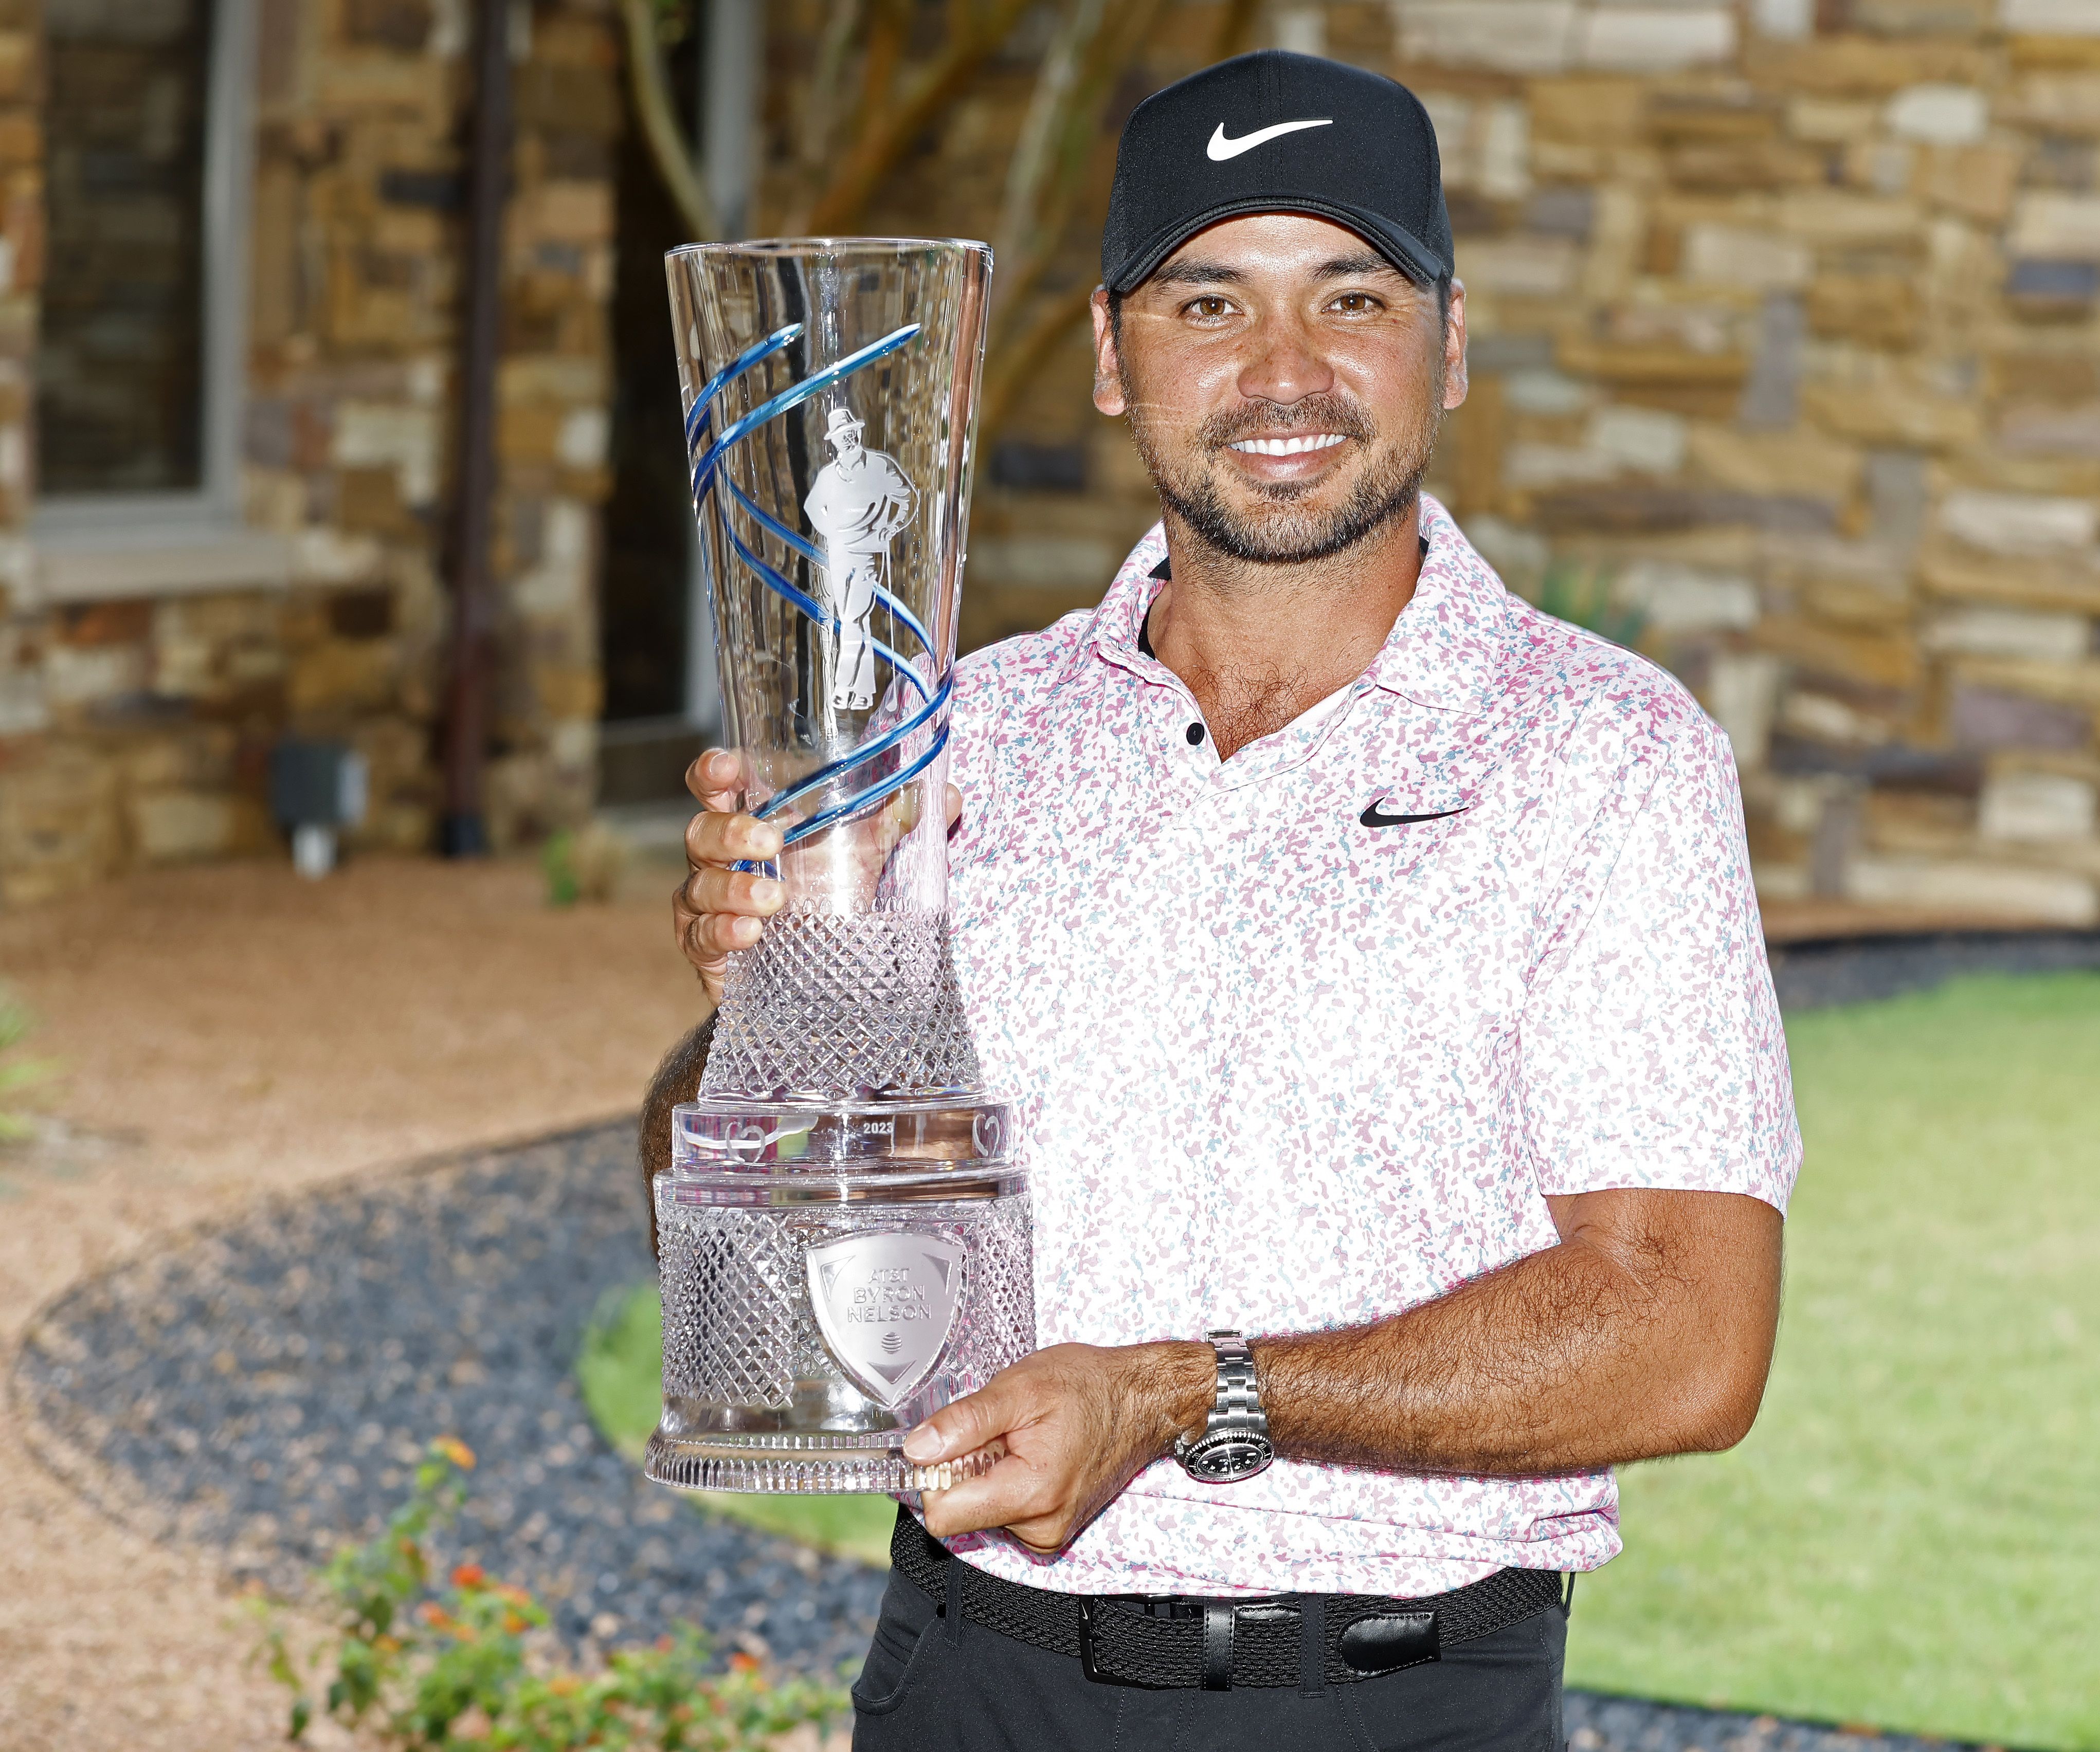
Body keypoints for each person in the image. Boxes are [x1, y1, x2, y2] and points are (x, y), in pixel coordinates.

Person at [655, 48, 1801, 1752]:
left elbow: (1685, 1333)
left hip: (1395, 1707)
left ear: (1451, 343)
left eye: (1351, 295)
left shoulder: (1607, 755)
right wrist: (775, 994)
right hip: (967, 1678)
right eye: (1209, 302)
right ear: (1113, 358)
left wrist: (1185, 1392)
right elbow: (765, 1298)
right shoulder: (952, 729)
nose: (1284, 371)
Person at [803, 404, 917, 710]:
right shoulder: (829, 475)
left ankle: (840, 689)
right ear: (834, 441)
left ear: (859, 432)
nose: (848, 439)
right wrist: (831, 532)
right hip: (839, 554)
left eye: (851, 432)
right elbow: (812, 508)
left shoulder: (880, 466)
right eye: (841, 435)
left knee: (853, 618)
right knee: (856, 622)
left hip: (868, 552)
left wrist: (892, 528)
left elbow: (908, 499)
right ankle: (866, 692)